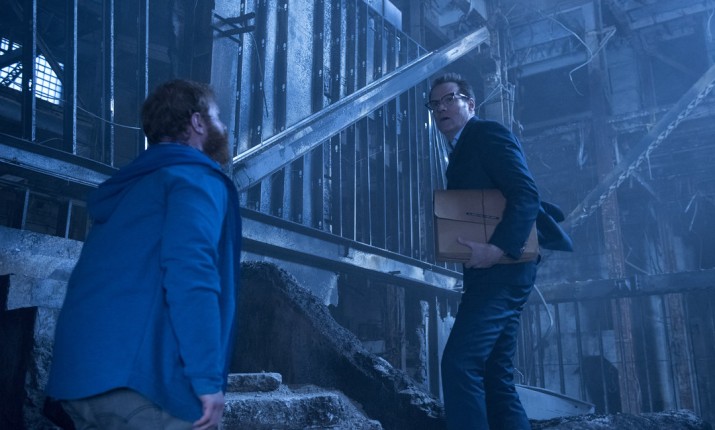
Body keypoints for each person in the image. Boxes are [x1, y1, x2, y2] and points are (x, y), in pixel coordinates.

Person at [46, 79, 242, 430]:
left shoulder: (131, 188)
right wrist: (207, 380)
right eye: (216, 116)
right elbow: (191, 275)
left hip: (77, 381)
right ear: (197, 122)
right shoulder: (194, 178)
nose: (224, 126)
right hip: (139, 385)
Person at [427, 73, 572, 429]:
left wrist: (497, 249)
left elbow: (526, 193)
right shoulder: (461, 149)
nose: (441, 108)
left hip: (502, 270)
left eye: (449, 99)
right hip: (494, 273)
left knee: (460, 363)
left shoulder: (487, 134)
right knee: (496, 375)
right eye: (435, 104)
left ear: (470, 103)